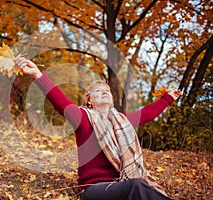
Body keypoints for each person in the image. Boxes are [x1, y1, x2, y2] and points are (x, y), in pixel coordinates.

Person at [15, 57, 182, 200]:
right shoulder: (82, 118)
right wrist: (38, 74)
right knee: (138, 185)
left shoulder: (121, 121)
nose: (104, 92)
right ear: (89, 101)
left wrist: (168, 98)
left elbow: (148, 113)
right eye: (98, 91)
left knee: (141, 185)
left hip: (121, 186)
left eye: (107, 91)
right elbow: (59, 100)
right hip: (95, 189)